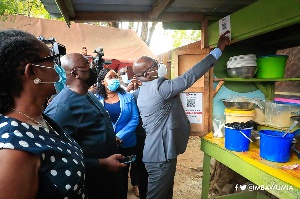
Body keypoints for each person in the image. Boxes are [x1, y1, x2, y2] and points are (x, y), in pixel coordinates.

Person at [132, 31, 231, 199]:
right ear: (148, 75)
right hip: (160, 156)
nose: (159, 66)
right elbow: (190, 76)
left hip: (156, 154)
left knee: (164, 194)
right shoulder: (160, 88)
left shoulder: (141, 91)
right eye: (154, 66)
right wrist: (218, 49)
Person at [0, 29, 87, 198]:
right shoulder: (14, 151)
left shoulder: (37, 117)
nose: (58, 67)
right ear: (32, 71)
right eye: (51, 60)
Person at [45, 53, 127, 199]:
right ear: (75, 73)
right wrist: (101, 163)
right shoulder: (61, 109)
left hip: (110, 178)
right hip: (93, 183)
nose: (93, 68)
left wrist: (108, 138)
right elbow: (58, 158)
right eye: (87, 65)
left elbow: (90, 129)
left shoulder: (89, 95)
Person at [95, 68, 140, 198]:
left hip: (126, 142)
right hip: (105, 143)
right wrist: (109, 137)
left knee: (122, 175)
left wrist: (120, 135)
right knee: (107, 176)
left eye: (116, 77)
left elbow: (134, 118)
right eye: (110, 77)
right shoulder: (95, 99)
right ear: (103, 82)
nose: (115, 79)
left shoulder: (128, 96)